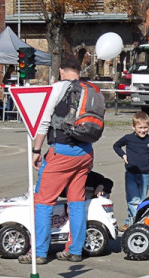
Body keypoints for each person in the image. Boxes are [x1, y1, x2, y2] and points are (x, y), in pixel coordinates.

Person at [18, 55, 94, 264]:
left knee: (43, 201)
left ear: (61, 70)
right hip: (85, 152)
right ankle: (75, 250)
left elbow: (44, 121)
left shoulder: (58, 88)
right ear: (78, 71)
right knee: (76, 201)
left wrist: (36, 149)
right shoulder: (90, 89)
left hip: (62, 151)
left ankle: (39, 252)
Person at [113, 111, 149, 232]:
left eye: (145, 127)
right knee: (132, 199)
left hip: (144, 174)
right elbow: (116, 146)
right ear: (133, 127)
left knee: (142, 199)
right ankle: (131, 221)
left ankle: (141, 220)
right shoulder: (128, 139)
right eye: (140, 128)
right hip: (131, 173)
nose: (143, 130)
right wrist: (123, 155)